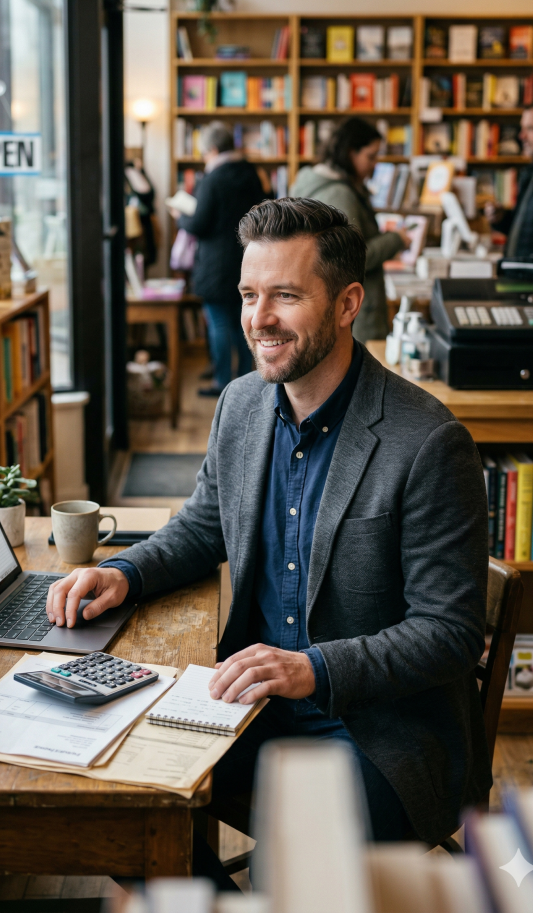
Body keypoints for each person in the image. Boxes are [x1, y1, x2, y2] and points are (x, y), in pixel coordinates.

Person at [46, 198, 490, 871]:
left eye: (285, 296)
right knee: (116, 802)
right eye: (250, 295)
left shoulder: (426, 441)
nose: (259, 319)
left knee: (296, 858)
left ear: (346, 304)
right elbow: (204, 525)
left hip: (378, 734)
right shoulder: (242, 403)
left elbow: (449, 633)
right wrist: (125, 573)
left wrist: (311, 669)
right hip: (250, 707)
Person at [289, 116, 409, 342]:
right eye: (370, 157)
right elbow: (353, 257)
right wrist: (396, 239)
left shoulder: (313, 181)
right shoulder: (340, 194)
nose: (375, 165)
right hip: (356, 314)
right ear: (350, 153)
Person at [175, 121, 267, 397]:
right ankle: (246, 379)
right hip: (248, 260)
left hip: (216, 264)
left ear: (213, 149)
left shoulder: (212, 178)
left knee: (218, 322)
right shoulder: (251, 173)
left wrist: (180, 218)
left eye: (205, 153)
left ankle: (222, 382)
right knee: (244, 322)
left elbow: (200, 223)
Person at [486, 97, 533, 257]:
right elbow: (524, 231)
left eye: (531, 129)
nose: (522, 136)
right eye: (522, 129)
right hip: (518, 274)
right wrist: (501, 218)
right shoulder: (530, 173)